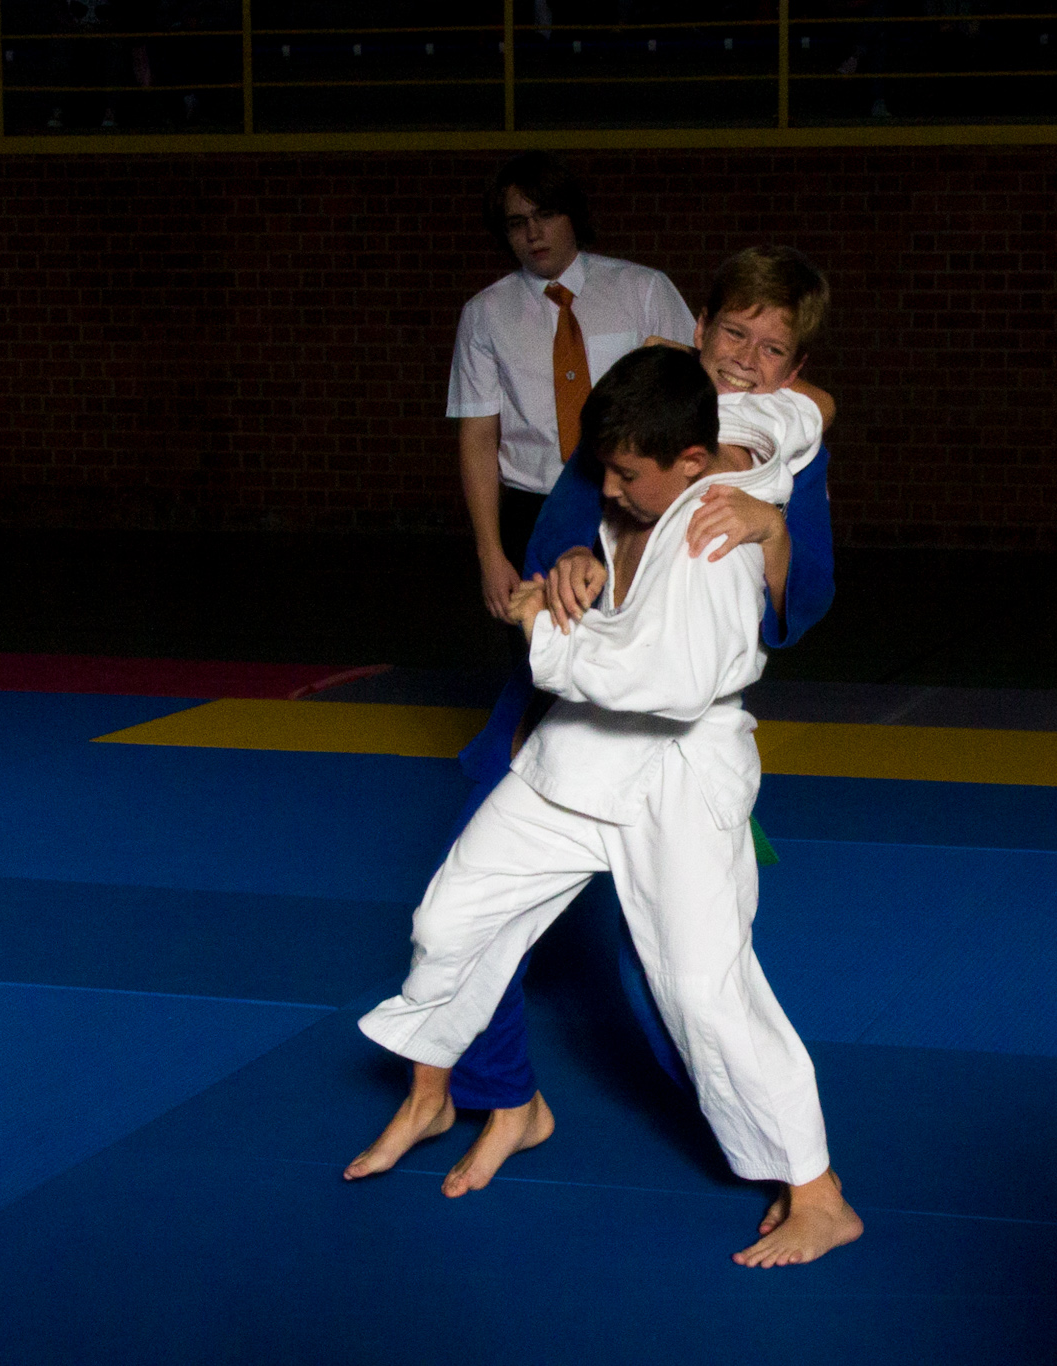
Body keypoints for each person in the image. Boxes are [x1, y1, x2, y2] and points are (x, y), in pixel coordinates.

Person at [349, 347, 863, 1268]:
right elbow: (800, 411)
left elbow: (670, 684)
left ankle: (820, 1196)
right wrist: (574, 565)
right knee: (452, 917)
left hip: (679, 774)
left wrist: (541, 629)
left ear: (692, 461)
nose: (611, 488)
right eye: (607, 469)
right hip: (580, 756)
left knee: (704, 993)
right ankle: (474, 1098)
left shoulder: (712, 536)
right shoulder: (735, 430)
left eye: (628, 474)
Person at [418, 246, 838, 1205]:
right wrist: (572, 560)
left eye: (773, 350)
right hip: (565, 701)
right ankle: (500, 1096)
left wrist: (772, 530)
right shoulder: (643, 403)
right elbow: (566, 523)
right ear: (698, 328)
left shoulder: (785, 450)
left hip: (675, 726)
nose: (747, 360)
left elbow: (802, 603)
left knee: (669, 977)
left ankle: (766, 1144)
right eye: (733, 332)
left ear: (795, 368)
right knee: (465, 909)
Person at [448, 151, 696, 622]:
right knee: (541, 651)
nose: (533, 233)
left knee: (641, 640)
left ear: (572, 215)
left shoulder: (642, 289)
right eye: (517, 222)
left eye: (545, 214)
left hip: (631, 501)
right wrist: (490, 552)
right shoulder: (485, 315)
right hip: (533, 506)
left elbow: (697, 398)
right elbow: (478, 436)